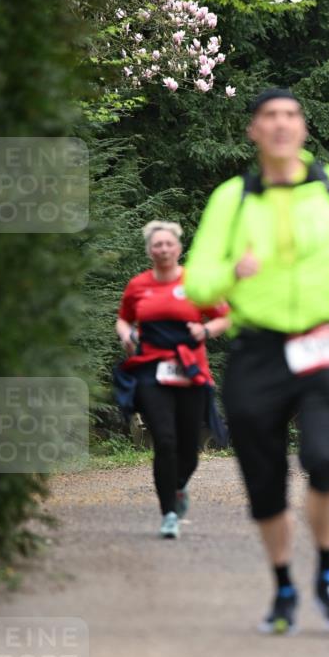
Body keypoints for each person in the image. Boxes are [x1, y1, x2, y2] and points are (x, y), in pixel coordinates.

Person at [184, 88, 329, 633]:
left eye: (291, 115)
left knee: (326, 458)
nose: (281, 125)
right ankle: (285, 585)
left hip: (321, 346)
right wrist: (230, 274)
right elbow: (197, 283)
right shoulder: (233, 198)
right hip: (256, 351)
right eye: (269, 117)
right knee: (263, 480)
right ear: (254, 132)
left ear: (304, 129)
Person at [115, 220, 229, 538]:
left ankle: (178, 487)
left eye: (168, 244)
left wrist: (205, 330)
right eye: (157, 245)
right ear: (150, 250)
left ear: (178, 248)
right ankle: (168, 514)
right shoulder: (138, 285)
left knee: (189, 448)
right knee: (164, 441)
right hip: (151, 369)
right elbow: (124, 320)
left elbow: (224, 317)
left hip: (190, 370)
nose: (163, 249)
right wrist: (127, 336)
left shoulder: (196, 283)